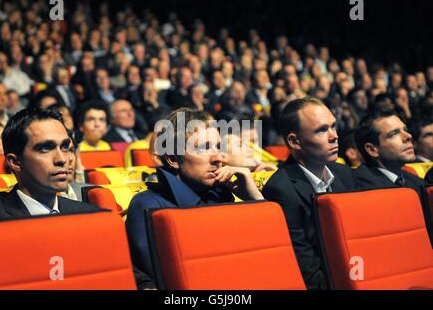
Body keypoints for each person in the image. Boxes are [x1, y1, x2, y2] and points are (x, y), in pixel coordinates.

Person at [125, 108, 264, 287]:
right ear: (173, 159)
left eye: (218, 147)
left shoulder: (220, 195)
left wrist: (255, 199)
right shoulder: (148, 206)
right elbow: (168, 281)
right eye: (203, 148)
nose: (218, 157)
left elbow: (265, 257)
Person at [262, 96, 356, 290]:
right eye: (322, 130)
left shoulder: (345, 174)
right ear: (295, 141)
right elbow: (307, 270)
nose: (334, 136)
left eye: (333, 126)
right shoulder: (281, 190)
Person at [0, 108, 102, 223]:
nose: (62, 159)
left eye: (65, 147)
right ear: (15, 162)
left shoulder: (90, 216)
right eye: (45, 148)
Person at [353, 109, 426, 200]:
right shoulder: (361, 188)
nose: (408, 136)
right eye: (394, 134)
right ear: (372, 150)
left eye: (405, 129)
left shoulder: (418, 183)